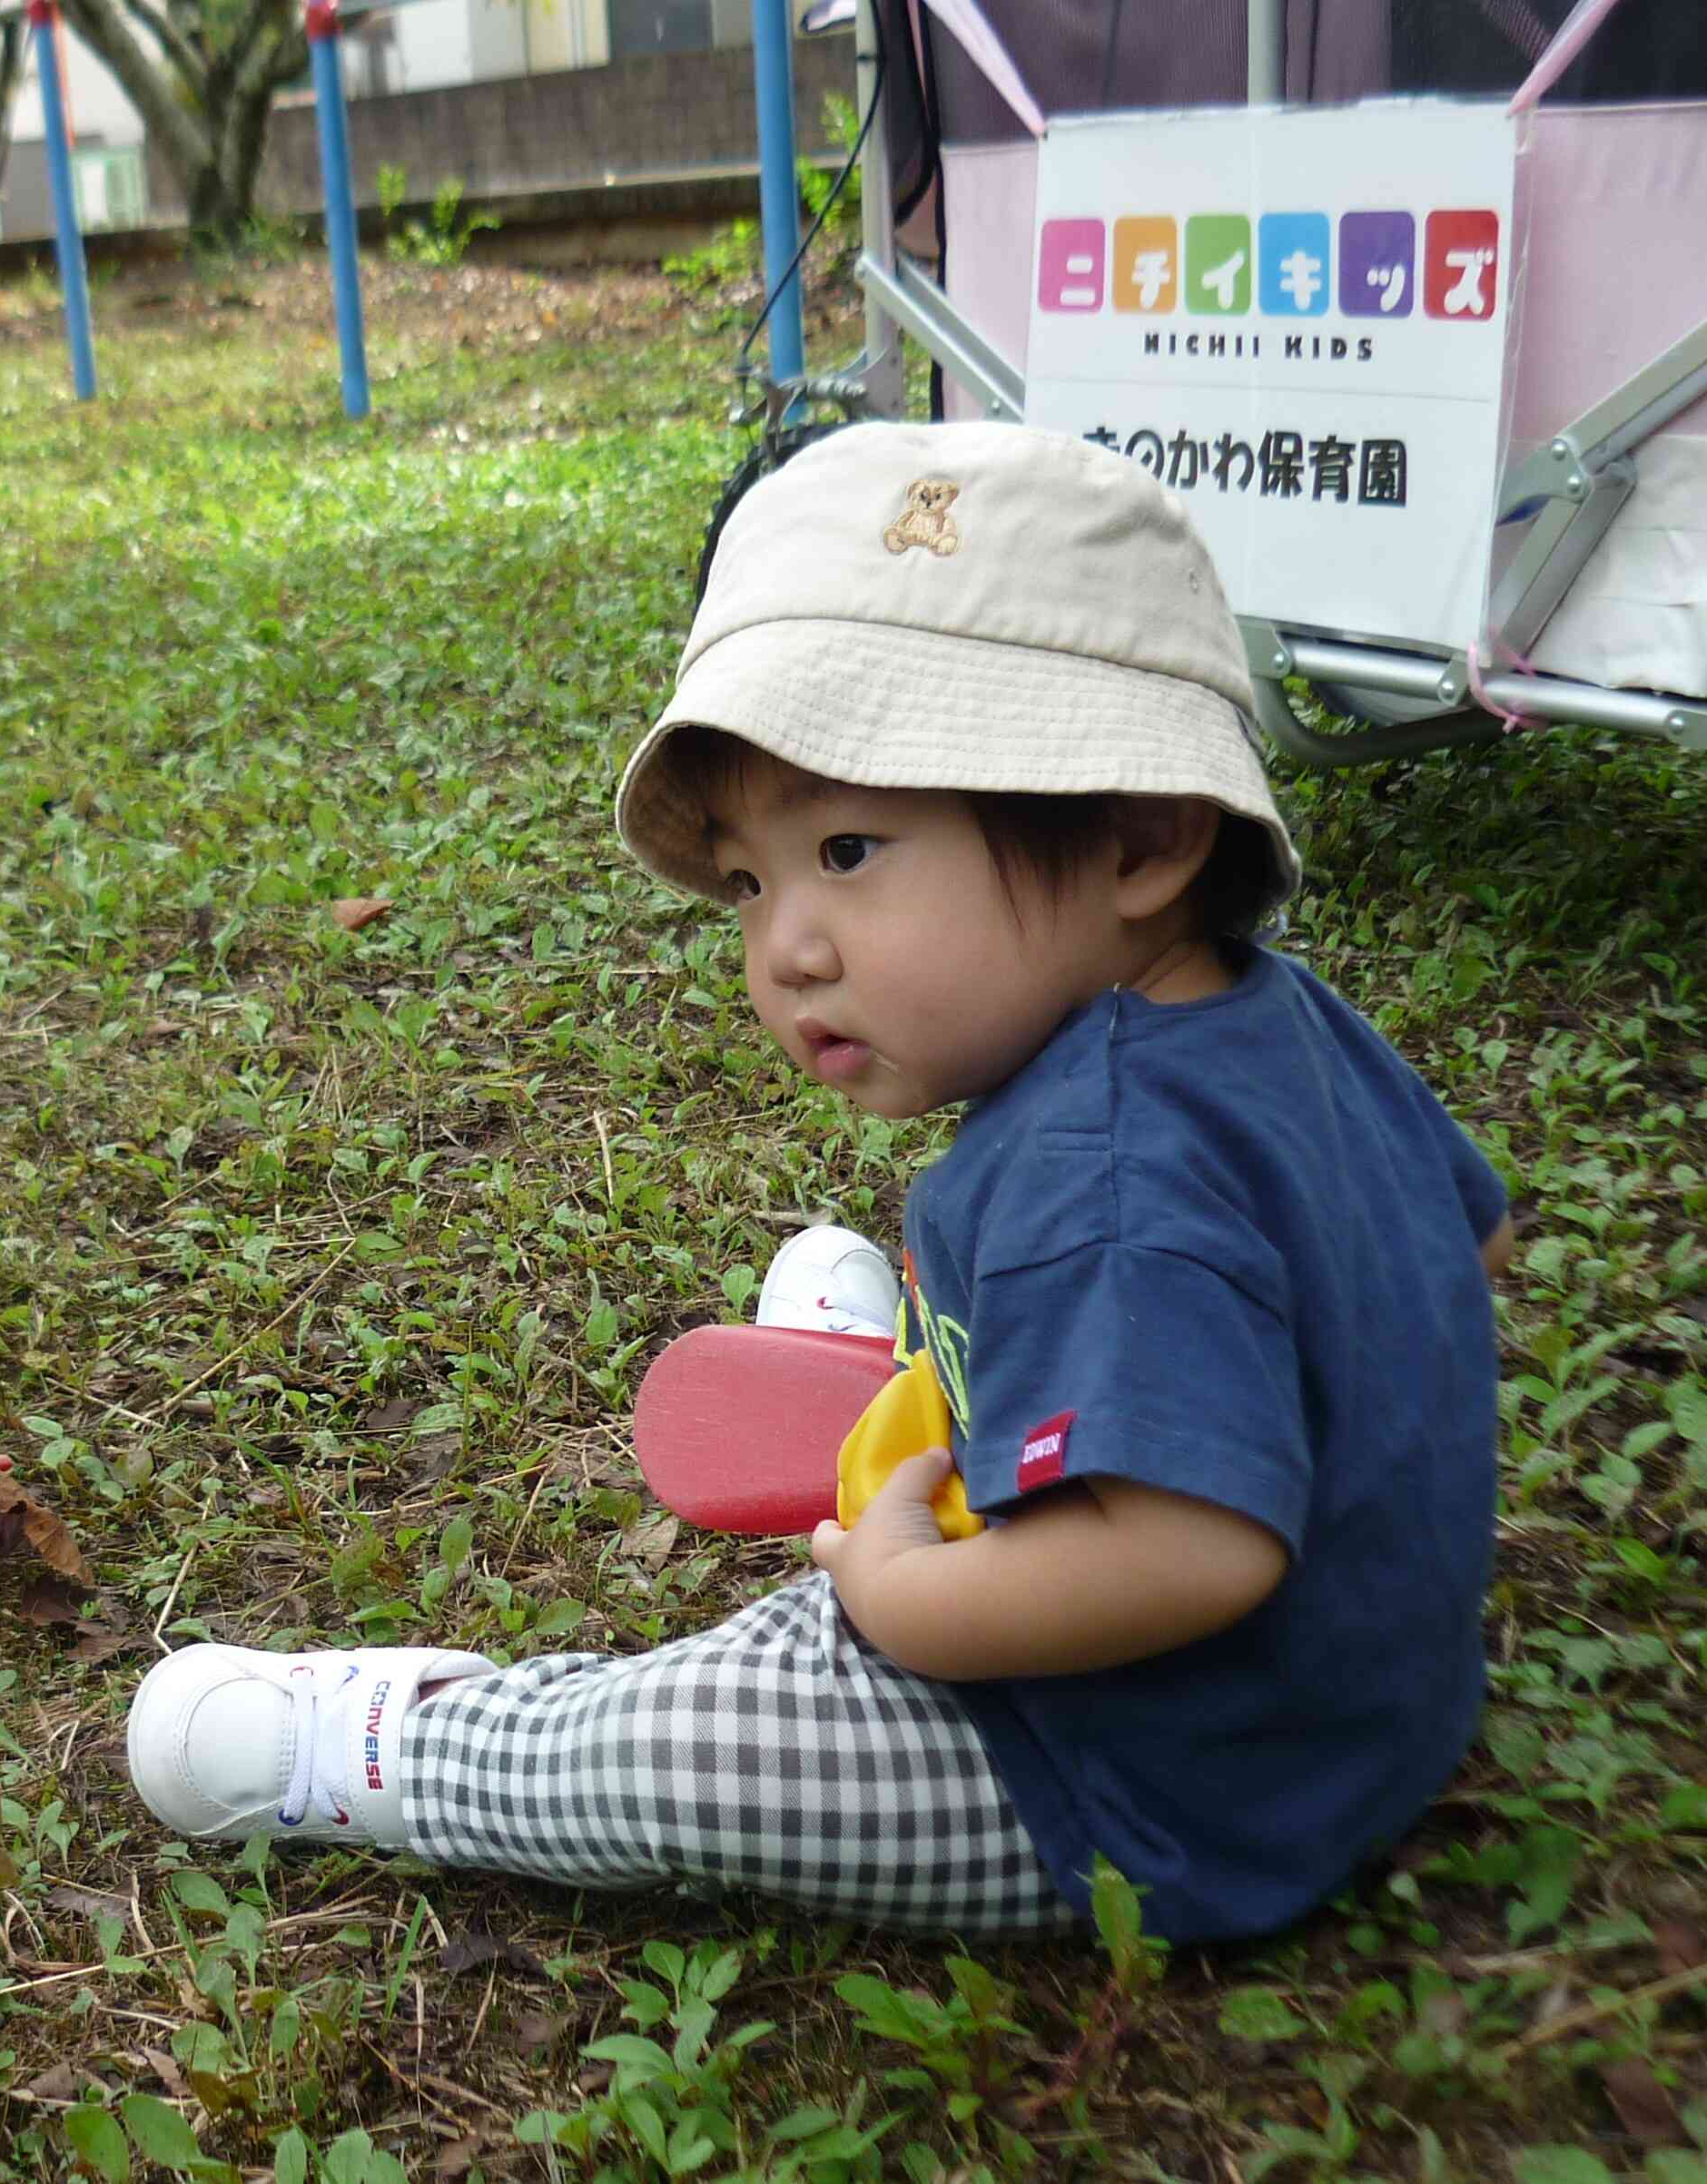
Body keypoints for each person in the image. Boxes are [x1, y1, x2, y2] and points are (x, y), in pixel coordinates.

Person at [125, 423, 1512, 1943]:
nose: (783, 947)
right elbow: (1468, 1240)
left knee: (705, 1742)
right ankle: (960, 1378)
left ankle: (409, 1751)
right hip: (1377, 1717)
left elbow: (1194, 1547)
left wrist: (904, 1594)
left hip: (1153, 1788)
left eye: (848, 848)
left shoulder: (1100, 1182)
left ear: (1139, 833)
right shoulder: (1279, 1018)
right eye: (750, 880)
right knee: (1066, 1337)